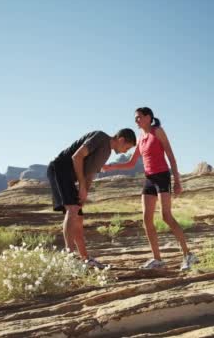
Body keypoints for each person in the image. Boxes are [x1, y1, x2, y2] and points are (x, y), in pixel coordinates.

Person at [102, 107, 197, 271]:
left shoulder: (158, 131)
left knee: (166, 216)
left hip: (162, 177)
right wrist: (111, 167)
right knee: (146, 219)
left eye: (139, 117)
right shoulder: (140, 138)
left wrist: (177, 181)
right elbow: (131, 163)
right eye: (135, 118)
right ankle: (157, 259)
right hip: (149, 179)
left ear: (148, 117)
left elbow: (171, 156)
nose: (136, 120)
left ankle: (188, 255)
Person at [47, 129, 136, 268]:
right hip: (59, 169)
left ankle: (85, 259)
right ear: (121, 139)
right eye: (127, 147)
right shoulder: (101, 137)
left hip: (69, 178)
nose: (125, 151)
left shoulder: (106, 152)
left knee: (78, 216)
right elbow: (77, 157)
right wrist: (81, 185)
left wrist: (84, 192)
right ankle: (68, 257)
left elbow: (90, 174)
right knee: (72, 210)